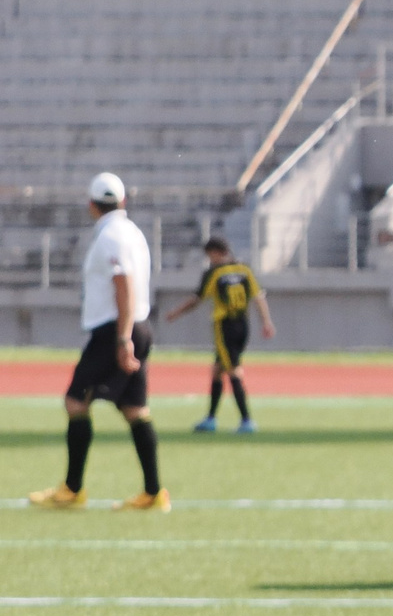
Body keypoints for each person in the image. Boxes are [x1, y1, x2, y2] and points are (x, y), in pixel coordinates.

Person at [30, 173, 165, 512]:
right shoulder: (131, 232)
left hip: (115, 330)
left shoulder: (111, 237)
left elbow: (123, 284)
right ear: (123, 202)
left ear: (91, 204)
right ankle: (153, 492)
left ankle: (72, 488)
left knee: (76, 402)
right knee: (135, 409)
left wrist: (122, 338)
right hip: (137, 324)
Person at [163, 236, 275, 434]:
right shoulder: (244, 269)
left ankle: (247, 420)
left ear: (215, 252)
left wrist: (175, 313)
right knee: (217, 370)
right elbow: (258, 297)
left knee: (233, 370)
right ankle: (211, 419)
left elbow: (197, 299)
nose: (209, 259)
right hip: (243, 324)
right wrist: (266, 322)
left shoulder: (214, 273)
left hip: (225, 326)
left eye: (209, 255)